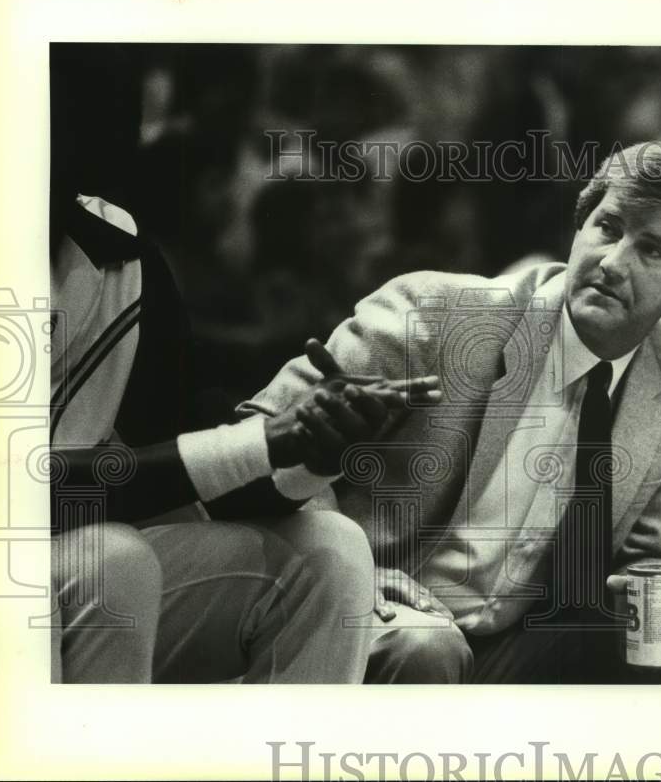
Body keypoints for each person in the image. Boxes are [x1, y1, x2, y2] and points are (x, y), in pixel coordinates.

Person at [241, 142, 661, 683]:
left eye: (652, 252)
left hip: (532, 637)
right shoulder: (434, 313)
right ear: (579, 227)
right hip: (383, 609)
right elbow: (262, 431)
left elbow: (653, 555)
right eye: (609, 228)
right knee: (428, 649)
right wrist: (350, 568)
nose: (614, 262)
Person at [48, 43, 436, 683]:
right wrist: (262, 440)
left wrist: (310, 452)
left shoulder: (119, 251)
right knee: (110, 561)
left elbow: (171, 473)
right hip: (62, 567)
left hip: (73, 567)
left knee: (332, 548)